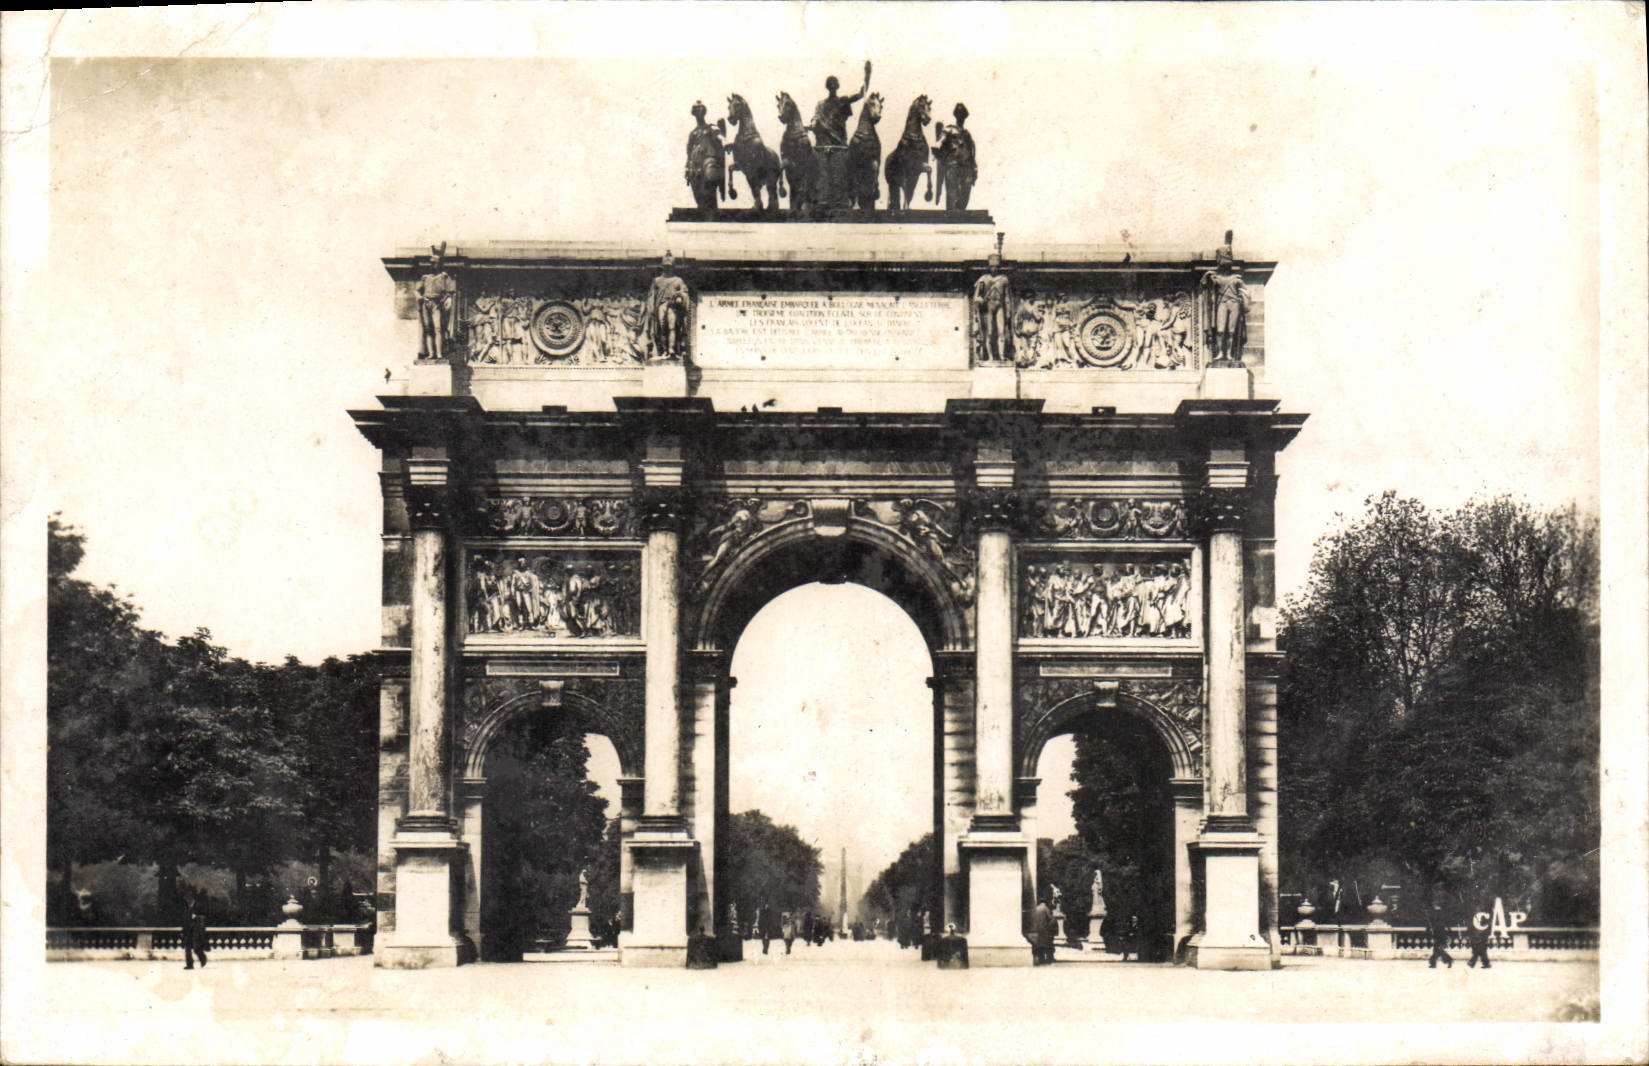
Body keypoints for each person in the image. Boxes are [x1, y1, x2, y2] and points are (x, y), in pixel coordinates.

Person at [182, 890, 208, 970]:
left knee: (196, 947)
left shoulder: (198, 906)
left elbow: (204, 917)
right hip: (188, 930)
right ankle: (189, 964)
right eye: (186, 899)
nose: (187, 900)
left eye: (189, 899)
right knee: (187, 947)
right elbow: (185, 920)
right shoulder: (187, 907)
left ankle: (203, 958)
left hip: (196, 930)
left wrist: (197, 917)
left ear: (192, 898)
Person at [1427, 903, 1455, 969]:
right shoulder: (1440, 914)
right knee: (1437, 949)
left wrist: (1429, 928)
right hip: (1440, 933)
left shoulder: (1437, 914)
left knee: (1438, 949)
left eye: (1435, 906)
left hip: (1439, 933)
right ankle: (1434, 963)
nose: (1434, 907)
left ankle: (1447, 960)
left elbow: (1434, 923)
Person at [1031, 895, 1055, 965]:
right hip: (1044, 929)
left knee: (1039, 945)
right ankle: (1048, 959)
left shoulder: (1036, 908)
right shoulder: (1045, 908)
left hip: (1037, 929)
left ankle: (1040, 959)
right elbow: (1051, 919)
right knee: (1047, 944)